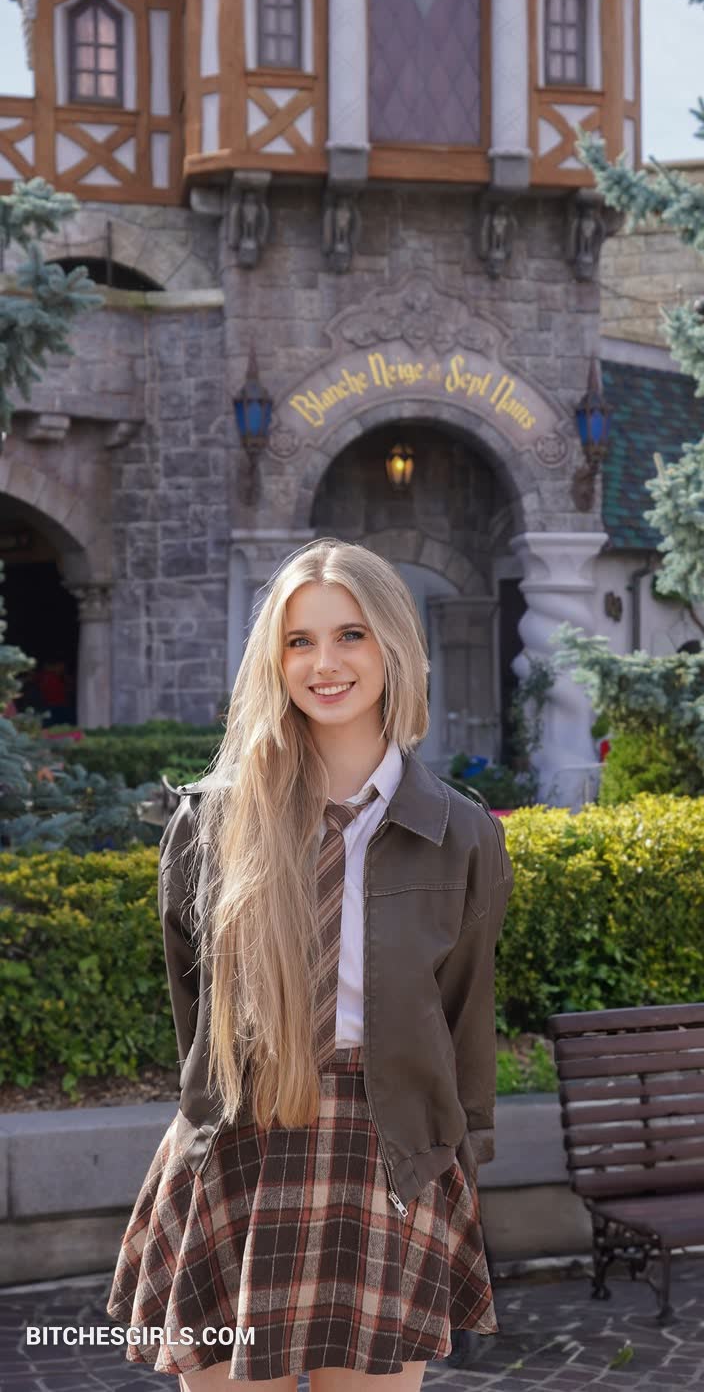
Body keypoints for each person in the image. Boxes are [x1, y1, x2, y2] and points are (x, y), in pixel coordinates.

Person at [106, 538, 514, 1391]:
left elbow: (463, 1013)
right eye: (299, 640)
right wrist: (207, 1108)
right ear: (275, 658)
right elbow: (195, 998)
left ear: (393, 644)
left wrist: (456, 1159)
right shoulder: (211, 822)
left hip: (387, 1155)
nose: (324, 663)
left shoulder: (463, 833)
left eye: (349, 634)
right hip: (240, 1142)